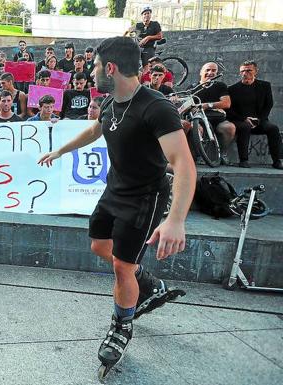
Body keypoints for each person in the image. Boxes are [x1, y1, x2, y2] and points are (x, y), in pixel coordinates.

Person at [38, 36, 195, 375]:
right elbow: (96, 131)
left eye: (94, 66)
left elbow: (184, 163)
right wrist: (60, 151)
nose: (92, 73)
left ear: (110, 68)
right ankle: (147, 283)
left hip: (145, 198)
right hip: (114, 191)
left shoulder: (156, 107)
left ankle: (121, 325)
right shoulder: (112, 101)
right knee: (99, 246)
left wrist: (176, 220)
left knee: (121, 267)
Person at [227, 60, 282, 169]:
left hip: (260, 120)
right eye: (242, 71)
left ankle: (278, 161)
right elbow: (229, 110)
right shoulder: (232, 89)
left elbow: (268, 104)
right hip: (240, 121)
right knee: (245, 127)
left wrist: (259, 120)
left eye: (248, 70)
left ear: (256, 71)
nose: (245, 73)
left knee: (273, 129)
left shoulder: (265, 86)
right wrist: (244, 119)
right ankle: (243, 160)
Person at [181, 62, 234, 163]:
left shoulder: (220, 86)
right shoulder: (192, 87)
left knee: (230, 127)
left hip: (217, 119)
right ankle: (200, 155)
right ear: (201, 72)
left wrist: (207, 105)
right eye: (208, 70)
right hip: (199, 120)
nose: (210, 73)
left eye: (214, 71)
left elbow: (226, 103)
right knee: (196, 129)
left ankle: (222, 154)